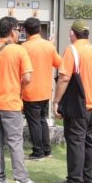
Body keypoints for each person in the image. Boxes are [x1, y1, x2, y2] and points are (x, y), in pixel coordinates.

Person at [0, 16, 42, 183]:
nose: (19, 33)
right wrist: (18, 86)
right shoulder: (19, 50)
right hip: (11, 102)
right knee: (15, 142)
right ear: (13, 31)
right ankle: (21, 181)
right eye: (18, 30)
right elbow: (27, 77)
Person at [52, 20, 92, 183]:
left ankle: (75, 179)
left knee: (75, 141)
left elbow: (64, 78)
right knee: (91, 140)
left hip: (77, 105)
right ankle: (89, 178)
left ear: (72, 33)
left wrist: (56, 101)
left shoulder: (72, 50)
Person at [21, 17, 61, 160]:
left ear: (25, 30)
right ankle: (46, 150)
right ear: (39, 29)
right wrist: (52, 46)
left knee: (34, 122)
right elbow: (59, 63)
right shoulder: (48, 46)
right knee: (42, 120)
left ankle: (38, 152)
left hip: (30, 90)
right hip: (45, 90)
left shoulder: (23, 47)